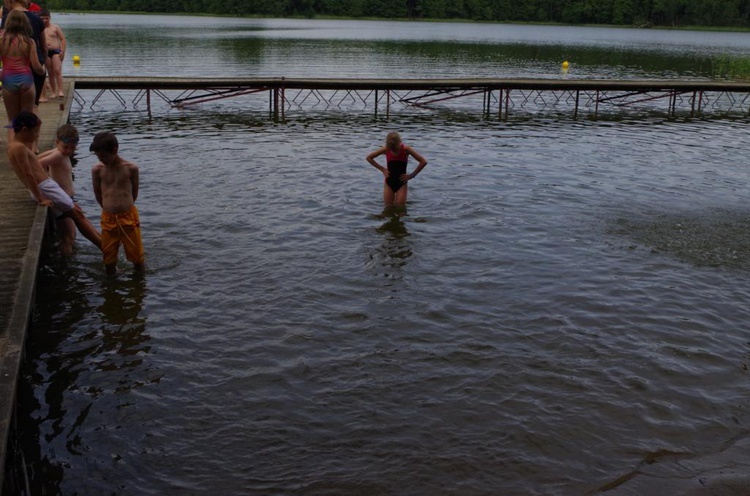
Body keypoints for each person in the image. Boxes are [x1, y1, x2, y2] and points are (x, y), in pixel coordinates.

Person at [7, 111, 101, 251]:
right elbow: (28, 174)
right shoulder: (20, 148)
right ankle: (105, 248)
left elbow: (33, 165)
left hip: (45, 186)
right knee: (77, 214)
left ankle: (103, 243)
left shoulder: (14, 146)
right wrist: (40, 197)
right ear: (24, 130)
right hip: (45, 187)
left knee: (76, 213)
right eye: (35, 132)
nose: (37, 136)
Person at [90, 132, 145, 275]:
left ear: (114, 151)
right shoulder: (98, 170)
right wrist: (108, 207)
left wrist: (125, 206)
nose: (101, 159)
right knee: (108, 258)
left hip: (128, 217)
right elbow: (98, 193)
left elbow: (134, 193)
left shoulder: (131, 168)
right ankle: (111, 283)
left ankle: (138, 283)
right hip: (108, 218)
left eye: (103, 156)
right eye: (98, 156)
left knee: (137, 257)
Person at [1, 9, 45, 142]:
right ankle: (27, 152)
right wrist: (43, 71)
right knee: (27, 120)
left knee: (13, 119)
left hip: (8, 81)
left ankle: (13, 152)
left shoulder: (1, 40)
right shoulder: (29, 42)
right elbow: (36, 67)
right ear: (25, 24)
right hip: (26, 81)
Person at [38, 124, 80, 255]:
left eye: (72, 148)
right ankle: (66, 260)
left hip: (65, 200)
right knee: (69, 236)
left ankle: (64, 254)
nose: (68, 151)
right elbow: (38, 164)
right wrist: (45, 182)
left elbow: (36, 160)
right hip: (62, 202)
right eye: (65, 147)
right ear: (57, 142)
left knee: (68, 234)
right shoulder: (58, 155)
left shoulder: (58, 152)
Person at [366, 131, 428, 206]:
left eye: (395, 148)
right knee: (388, 207)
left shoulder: (406, 149)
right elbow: (369, 158)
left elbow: (423, 162)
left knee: (400, 207)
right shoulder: (386, 149)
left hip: (401, 182)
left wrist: (412, 175)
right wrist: (382, 169)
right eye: (391, 148)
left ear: (399, 143)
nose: (393, 150)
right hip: (389, 181)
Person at [40, 9, 65, 99]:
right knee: (50, 72)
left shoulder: (55, 27)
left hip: (56, 51)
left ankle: (61, 90)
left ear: (49, 18)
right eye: (42, 18)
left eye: (46, 18)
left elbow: (62, 39)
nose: (44, 20)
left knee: (57, 70)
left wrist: (63, 51)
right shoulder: (39, 28)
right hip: (45, 52)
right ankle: (54, 92)